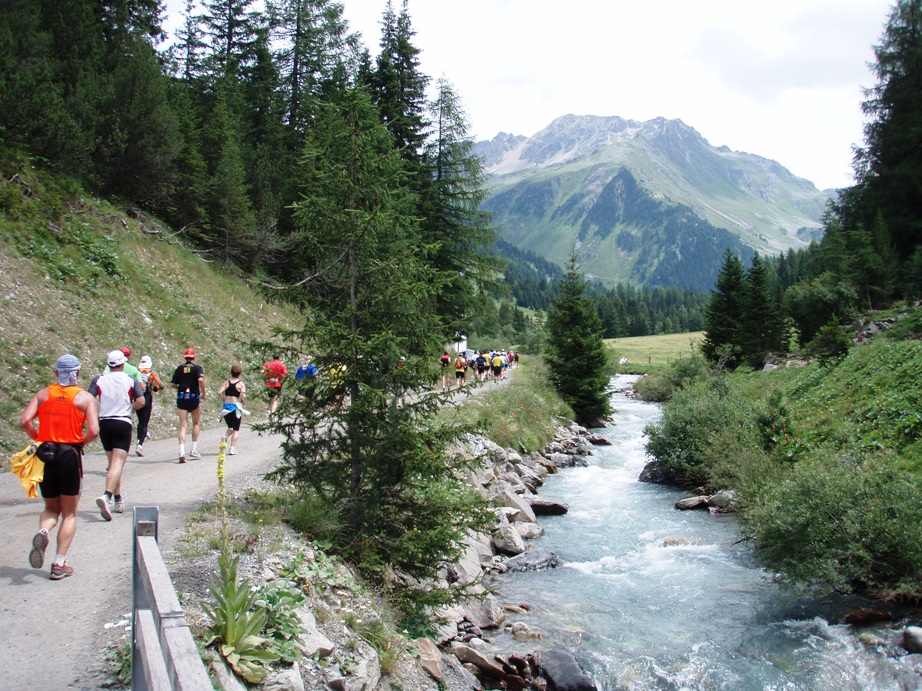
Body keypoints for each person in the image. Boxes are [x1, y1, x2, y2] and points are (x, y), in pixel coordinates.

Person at [19, 354, 99, 580]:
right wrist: (79, 443)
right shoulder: (84, 398)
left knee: (51, 507)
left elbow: (24, 420)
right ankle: (58, 564)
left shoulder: (44, 394)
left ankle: (43, 532)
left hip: (45, 454)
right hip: (69, 454)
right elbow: (93, 430)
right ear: (78, 374)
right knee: (70, 513)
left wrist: (38, 438)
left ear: (56, 373)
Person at [87, 350, 144, 521]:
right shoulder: (130, 379)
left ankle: (118, 499)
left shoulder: (99, 379)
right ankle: (107, 496)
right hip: (122, 422)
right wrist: (130, 408)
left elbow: (88, 398)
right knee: (118, 463)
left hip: (104, 422)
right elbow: (141, 401)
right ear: (123, 363)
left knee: (112, 463)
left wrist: (95, 413)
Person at [171, 348, 206, 463]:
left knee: (183, 425)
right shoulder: (197, 368)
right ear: (194, 357)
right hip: (194, 397)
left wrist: (180, 387)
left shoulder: (179, 368)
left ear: (185, 357)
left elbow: (173, 383)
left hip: (181, 397)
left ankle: (181, 450)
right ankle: (194, 449)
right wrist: (204, 393)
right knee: (196, 422)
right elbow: (200, 380)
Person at [135, 355, 163, 457]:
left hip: (137, 397)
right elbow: (162, 385)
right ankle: (140, 444)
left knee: (140, 421)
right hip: (147, 397)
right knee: (145, 422)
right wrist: (156, 389)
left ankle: (139, 439)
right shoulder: (152, 373)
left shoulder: (136, 372)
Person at [217, 364, 247, 455]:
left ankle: (225, 436)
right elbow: (243, 395)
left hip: (226, 407)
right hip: (235, 407)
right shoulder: (240, 384)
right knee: (236, 429)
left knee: (230, 426)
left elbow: (219, 392)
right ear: (240, 373)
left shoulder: (226, 383)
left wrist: (223, 399)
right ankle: (232, 449)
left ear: (231, 373)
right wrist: (243, 400)